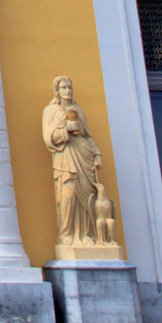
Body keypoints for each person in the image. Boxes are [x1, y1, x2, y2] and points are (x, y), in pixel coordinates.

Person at [44, 76, 104, 249]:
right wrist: (66, 130)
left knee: (87, 198)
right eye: (63, 88)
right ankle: (67, 234)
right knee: (68, 195)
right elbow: (48, 137)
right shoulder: (50, 111)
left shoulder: (78, 110)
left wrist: (97, 154)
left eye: (69, 87)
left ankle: (86, 235)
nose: (67, 91)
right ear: (57, 91)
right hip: (65, 156)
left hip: (83, 155)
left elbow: (87, 135)